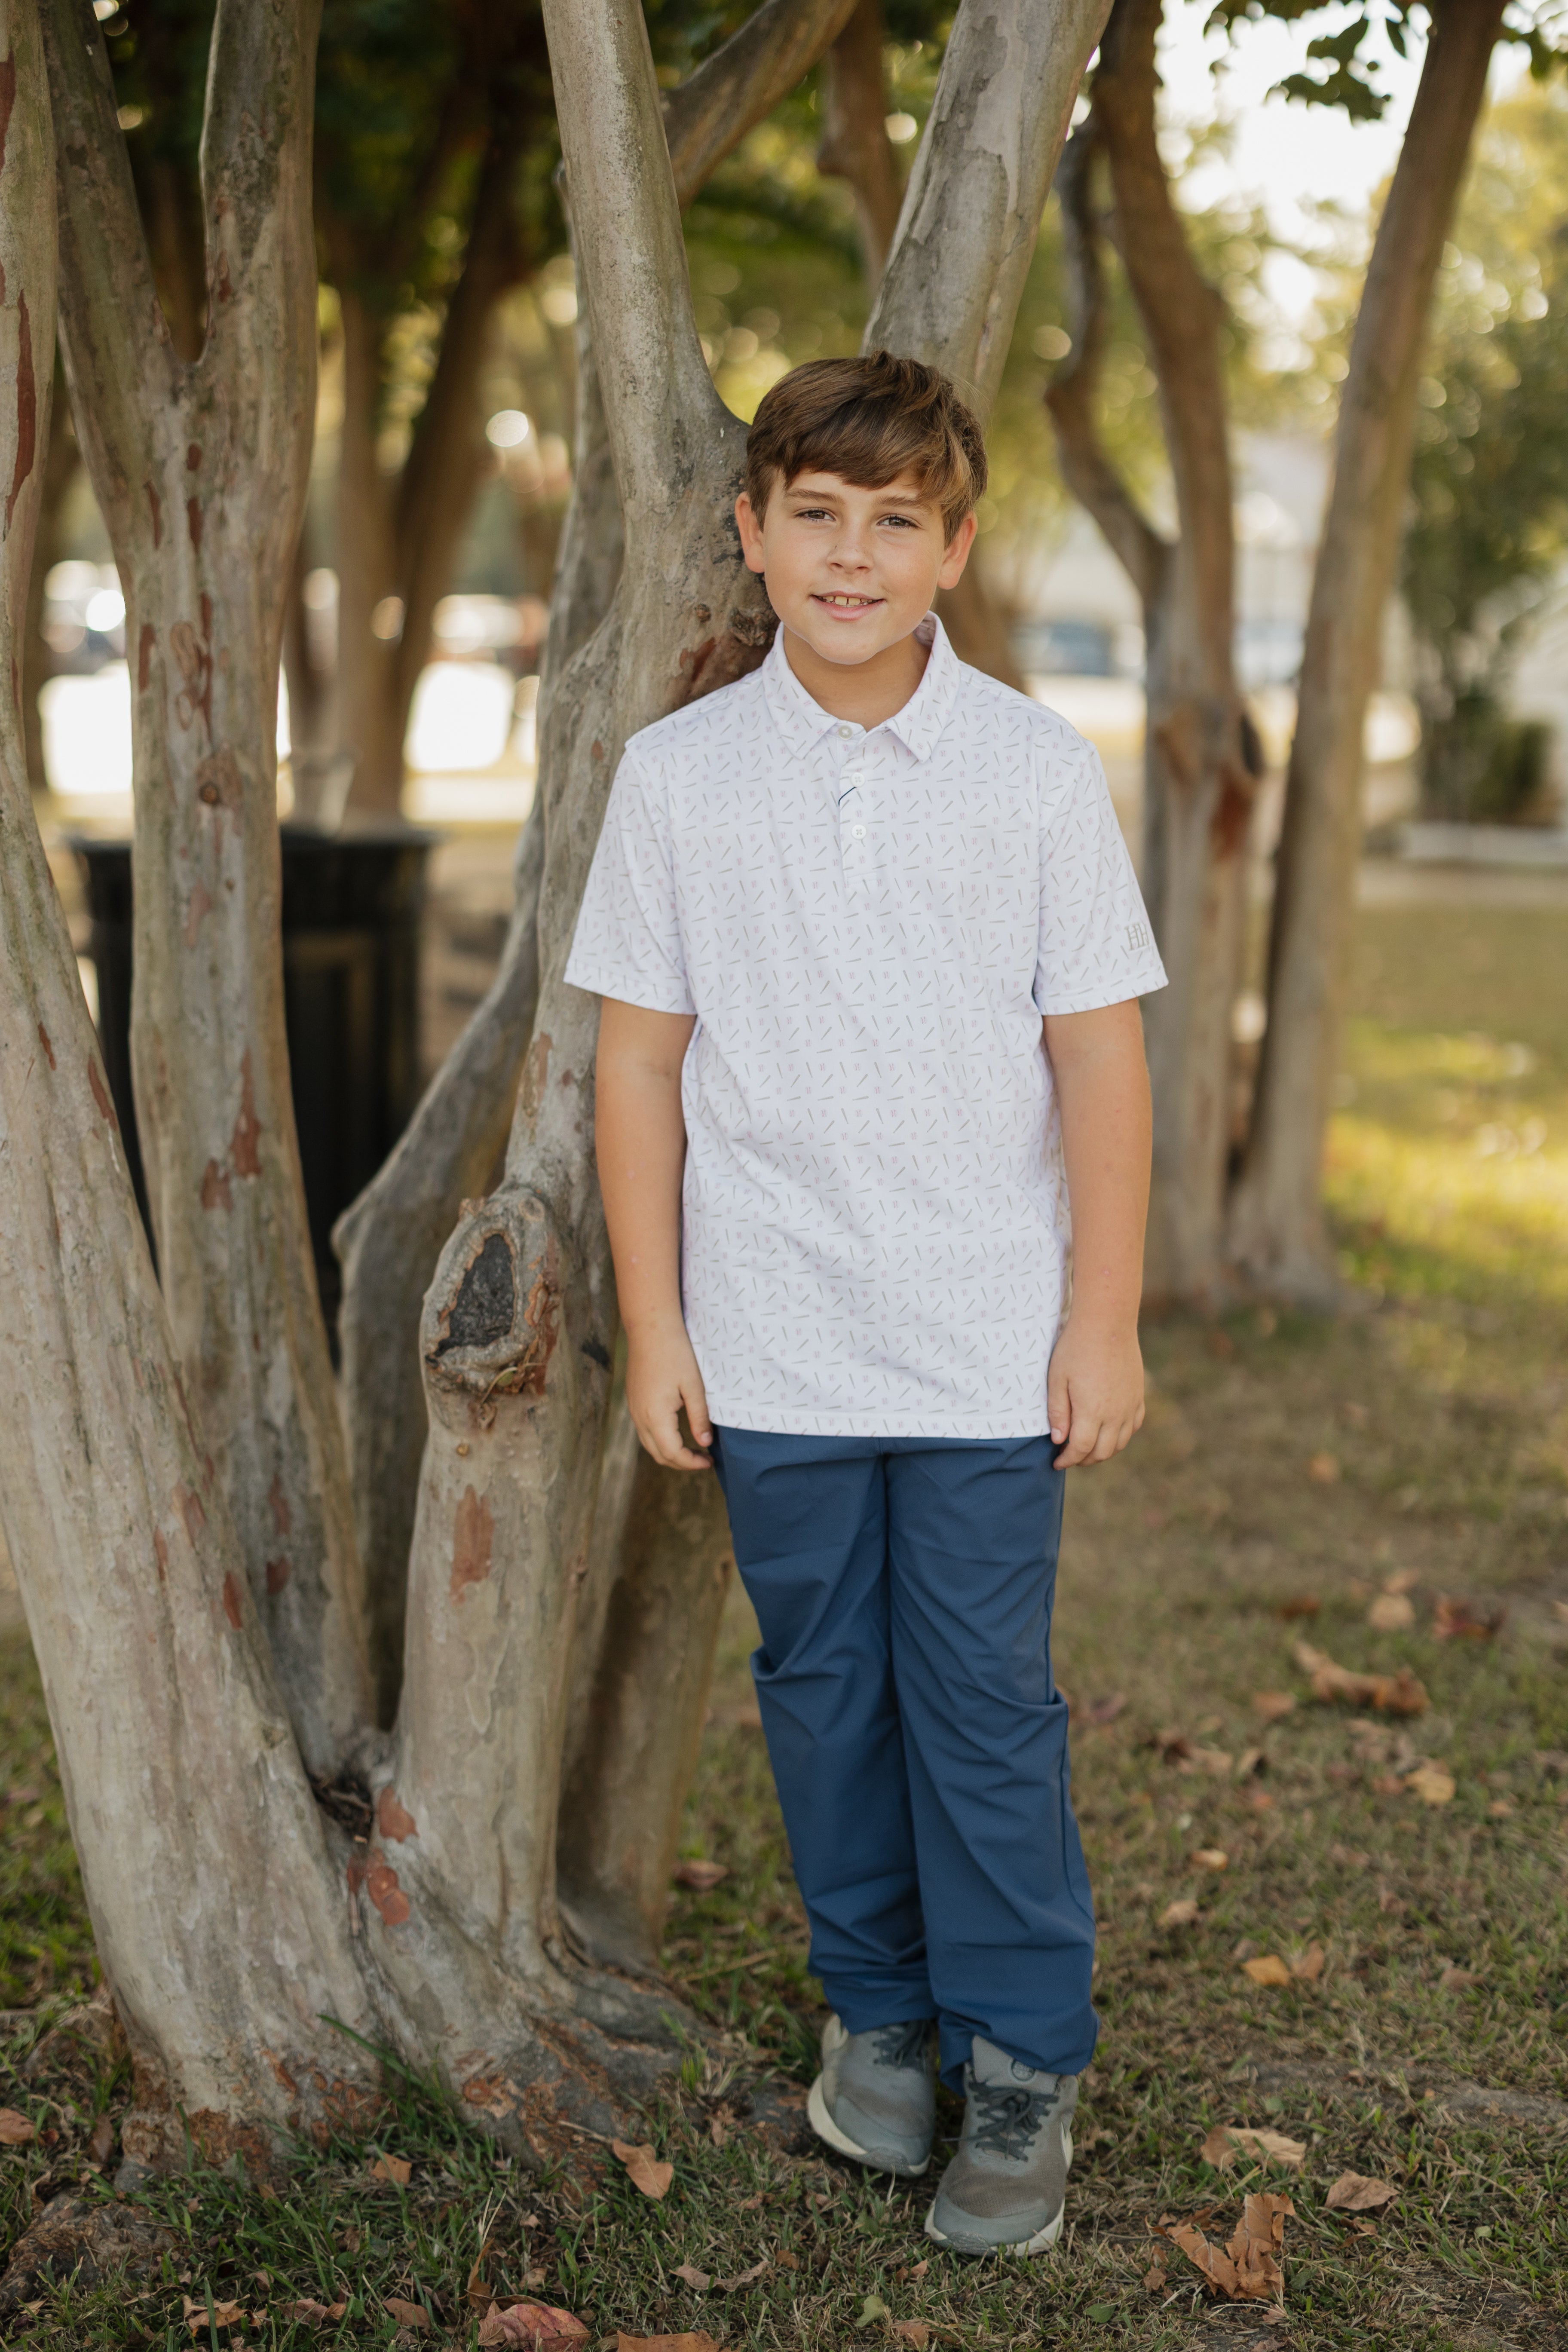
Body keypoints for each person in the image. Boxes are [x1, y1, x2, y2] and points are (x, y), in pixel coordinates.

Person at [564, 351, 1166, 2257]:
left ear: (956, 552)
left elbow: (1103, 1066)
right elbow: (640, 1069)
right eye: (812, 516)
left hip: (991, 1336)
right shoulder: (677, 779)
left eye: (894, 522)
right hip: (777, 1336)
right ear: (750, 536)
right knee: (825, 1690)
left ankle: (1021, 2063)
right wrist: (660, 1328)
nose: (850, 555)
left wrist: (1107, 1316)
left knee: (979, 1698)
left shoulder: (1035, 773)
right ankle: (882, 2017)